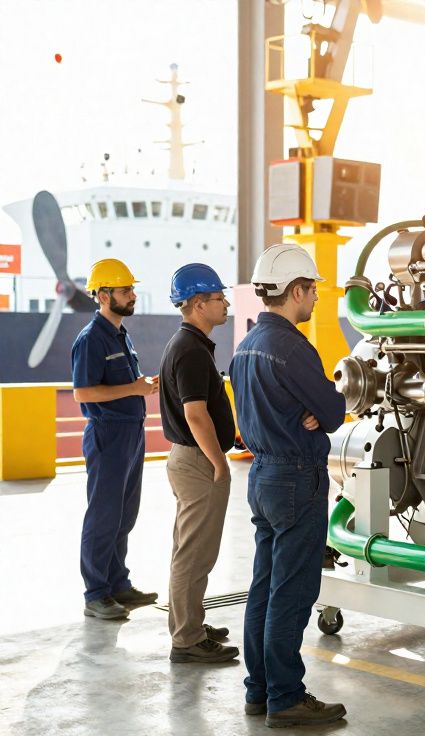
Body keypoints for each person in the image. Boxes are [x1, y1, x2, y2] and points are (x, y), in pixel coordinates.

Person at [230, 244, 347, 727]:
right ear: (295, 290)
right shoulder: (293, 348)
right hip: (297, 477)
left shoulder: (247, 345)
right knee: (293, 591)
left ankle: (258, 690)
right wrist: (318, 413)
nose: (317, 297)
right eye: (313, 288)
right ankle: (286, 698)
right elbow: (336, 413)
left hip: (262, 475)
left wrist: (308, 415)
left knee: (263, 587)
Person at [159, 264, 239, 663]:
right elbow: (195, 414)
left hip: (188, 458)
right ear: (196, 304)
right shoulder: (190, 349)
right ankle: (187, 640)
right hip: (197, 462)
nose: (225, 304)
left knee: (187, 550)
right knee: (195, 554)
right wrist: (219, 463)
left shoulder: (188, 343)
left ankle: (188, 623)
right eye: (218, 298)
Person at [72, 258, 159, 620]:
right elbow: (83, 393)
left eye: (131, 289)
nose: (132, 295)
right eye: (126, 291)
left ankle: (118, 584)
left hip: (131, 432)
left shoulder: (121, 334)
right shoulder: (91, 338)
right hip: (108, 434)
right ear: (104, 295)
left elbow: (124, 386)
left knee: (125, 514)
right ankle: (96, 593)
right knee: (104, 515)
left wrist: (140, 388)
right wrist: (134, 388)